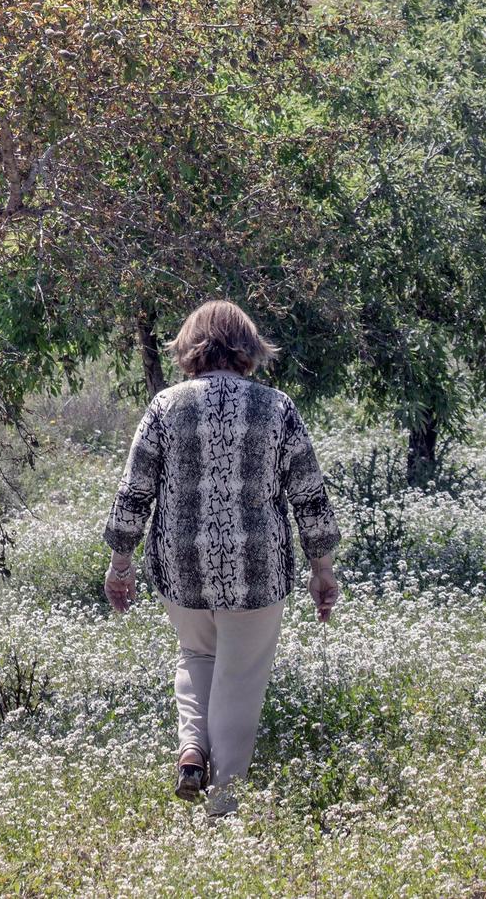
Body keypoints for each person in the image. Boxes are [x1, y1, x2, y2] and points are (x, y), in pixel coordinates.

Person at [102, 299, 341, 816]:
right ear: (248, 350)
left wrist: (121, 561)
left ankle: (192, 749)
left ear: (191, 348)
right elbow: (309, 495)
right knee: (240, 676)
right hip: (258, 566)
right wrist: (321, 568)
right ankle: (224, 801)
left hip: (182, 565)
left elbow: (134, 490)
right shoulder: (276, 407)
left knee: (197, 656)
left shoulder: (165, 406)